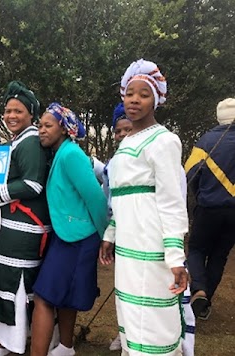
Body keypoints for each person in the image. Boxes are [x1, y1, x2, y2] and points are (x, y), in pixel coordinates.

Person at [99, 59, 189, 356]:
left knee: (153, 321)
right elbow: (121, 197)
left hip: (152, 249)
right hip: (128, 248)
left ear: (157, 99)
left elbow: (172, 202)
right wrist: (111, 234)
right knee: (130, 317)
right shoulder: (126, 143)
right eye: (130, 93)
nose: (134, 99)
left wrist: (176, 256)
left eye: (144, 94)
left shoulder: (165, 141)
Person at [0, 81, 51, 356]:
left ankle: (12, 342)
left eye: (18, 111)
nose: (11, 116)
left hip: (26, 227)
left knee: (15, 280)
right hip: (9, 222)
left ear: (30, 114)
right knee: (4, 278)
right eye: (8, 110)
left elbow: (33, 185)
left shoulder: (30, 141)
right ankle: (4, 342)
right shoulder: (14, 142)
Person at [30, 103, 107, 356]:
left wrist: (105, 235)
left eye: (48, 125)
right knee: (64, 295)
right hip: (66, 234)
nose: (41, 130)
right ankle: (65, 347)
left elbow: (95, 197)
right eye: (40, 125)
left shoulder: (71, 154)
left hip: (78, 237)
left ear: (64, 129)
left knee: (44, 296)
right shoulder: (61, 152)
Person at [185, 97, 235, 320]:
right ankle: (204, 305)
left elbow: (189, 174)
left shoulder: (206, 141)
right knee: (219, 256)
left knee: (196, 250)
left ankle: (199, 290)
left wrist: (200, 193)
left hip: (208, 208)